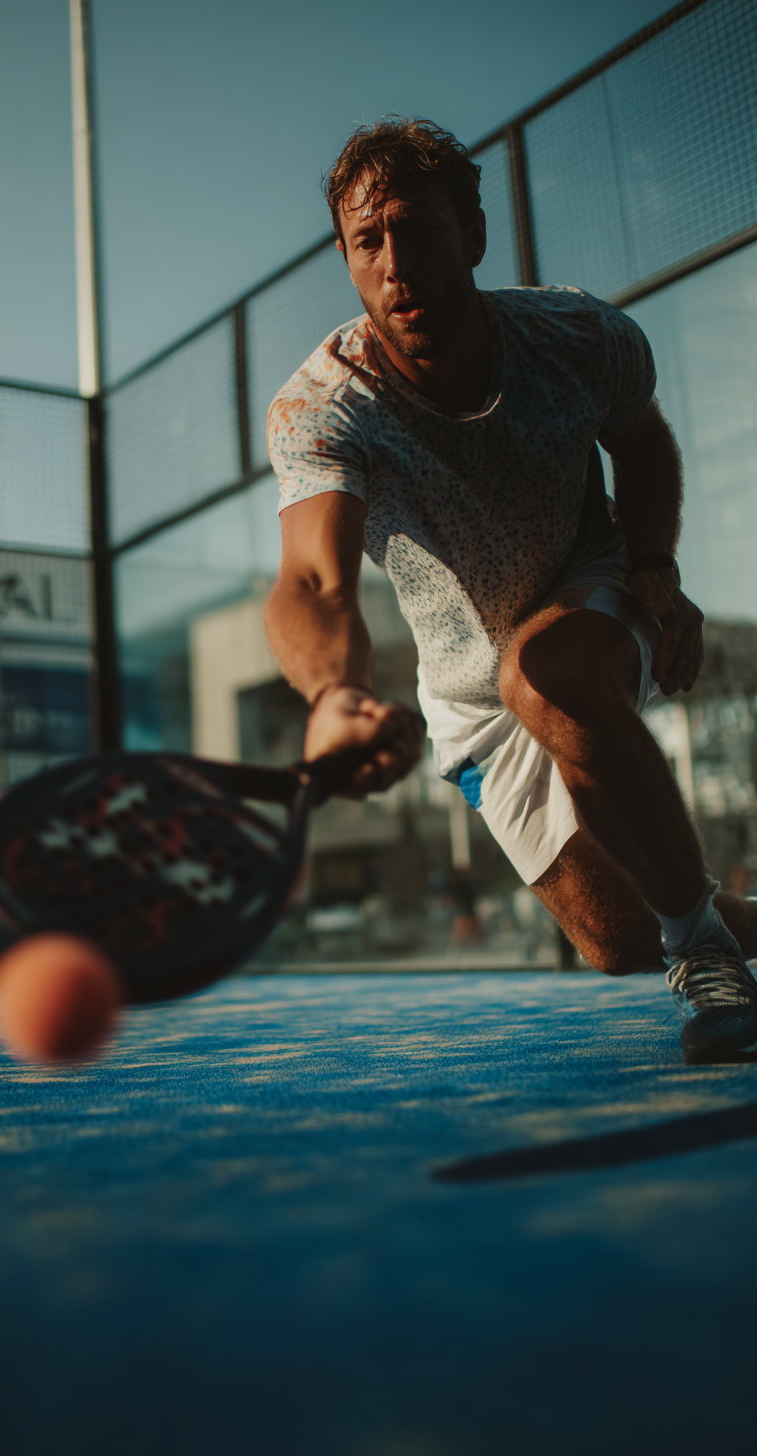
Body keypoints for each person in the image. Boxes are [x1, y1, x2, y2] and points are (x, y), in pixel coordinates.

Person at [263, 117, 757, 1063]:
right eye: (370, 241)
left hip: (593, 589)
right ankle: (706, 923)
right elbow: (314, 577)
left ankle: (705, 956)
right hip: (466, 692)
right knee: (616, 936)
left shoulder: (577, 335)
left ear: (474, 236)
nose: (396, 262)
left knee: (549, 677)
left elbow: (641, 438)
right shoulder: (324, 406)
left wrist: (655, 567)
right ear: (347, 257)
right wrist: (334, 697)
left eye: (419, 229)